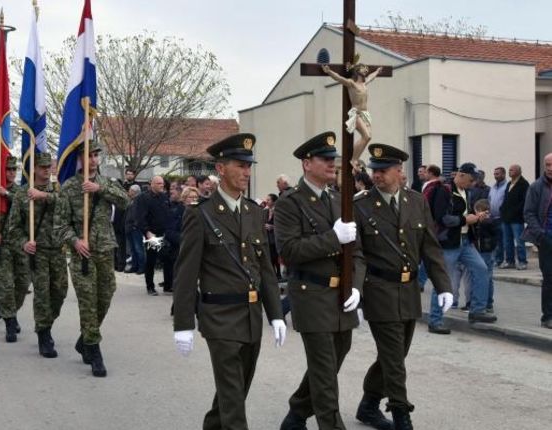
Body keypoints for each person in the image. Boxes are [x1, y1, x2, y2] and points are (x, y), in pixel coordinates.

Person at [173, 133, 285, 430]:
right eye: (240, 165)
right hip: (220, 319)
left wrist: (275, 314)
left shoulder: (254, 212)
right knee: (234, 400)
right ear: (221, 168)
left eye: (249, 166)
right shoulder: (200, 214)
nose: (247, 172)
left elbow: (265, 269)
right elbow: (186, 274)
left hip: (251, 317)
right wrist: (183, 323)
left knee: (235, 391)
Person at [352, 144, 452, 430]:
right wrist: (356, 291)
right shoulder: (361, 204)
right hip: (379, 289)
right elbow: (357, 254)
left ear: (399, 171)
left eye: (384, 170)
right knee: (394, 359)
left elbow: (430, 247)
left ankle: (368, 404)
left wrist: (443, 285)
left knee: (395, 354)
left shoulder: (416, 201)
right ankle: (401, 415)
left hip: (408, 290)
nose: (377, 175)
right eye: (375, 170)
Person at [274, 131, 362, 430]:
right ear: (306, 163)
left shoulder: (339, 199)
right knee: (325, 373)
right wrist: (333, 238)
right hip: (311, 293)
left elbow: (357, 252)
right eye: (325, 159)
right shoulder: (290, 203)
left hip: (341, 296)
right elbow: (289, 251)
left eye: (333, 159)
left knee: (333, 360)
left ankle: (297, 413)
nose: (331, 164)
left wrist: (357, 286)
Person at [53, 141, 130, 377]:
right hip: (82, 254)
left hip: (105, 250)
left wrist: (100, 189)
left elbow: (126, 201)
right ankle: (95, 351)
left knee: (105, 297)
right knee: (88, 301)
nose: (93, 160)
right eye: (88, 156)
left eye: (96, 155)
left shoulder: (106, 183)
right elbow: (59, 225)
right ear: (79, 159)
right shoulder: (69, 187)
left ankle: (84, 339)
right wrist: (75, 241)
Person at [8, 152, 66, 357]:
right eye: (42, 167)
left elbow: (67, 205)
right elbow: (13, 228)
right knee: (42, 294)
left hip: (58, 250)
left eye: (48, 166)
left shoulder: (58, 190)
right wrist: (24, 243)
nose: (46, 170)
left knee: (59, 292)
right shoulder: (22, 194)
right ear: (33, 169)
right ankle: (44, 334)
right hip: (37, 252)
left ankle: (47, 322)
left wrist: (44, 196)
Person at [427, 162, 496, 334]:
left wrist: (476, 217)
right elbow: (441, 218)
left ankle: (477, 311)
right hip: (448, 243)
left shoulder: (467, 191)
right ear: (461, 175)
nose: (473, 184)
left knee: (481, 269)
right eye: (471, 180)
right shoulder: (444, 190)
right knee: (444, 280)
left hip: (465, 241)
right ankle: (435, 320)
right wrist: (466, 220)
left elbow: (465, 215)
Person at [0, 157, 32, 343]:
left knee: (23, 284)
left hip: (20, 245)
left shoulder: (21, 191)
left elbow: (27, 208)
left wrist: (7, 195)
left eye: (13, 170)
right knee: (6, 285)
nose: (11, 172)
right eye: (7, 169)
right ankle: (10, 322)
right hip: (2, 248)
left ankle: (11, 312)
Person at [321, 63, 383, 167]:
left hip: (365, 114)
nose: (366, 70)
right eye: (363, 68)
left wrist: (377, 71)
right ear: (357, 71)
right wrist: (329, 71)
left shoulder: (364, 83)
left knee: (368, 137)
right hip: (356, 114)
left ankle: (355, 158)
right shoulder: (352, 83)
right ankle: (353, 159)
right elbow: (339, 78)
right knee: (366, 135)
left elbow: (371, 77)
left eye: (366, 69)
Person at [522, 153, 552, 329]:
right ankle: (547, 317)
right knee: (549, 278)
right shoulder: (536, 187)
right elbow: (528, 213)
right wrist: (541, 234)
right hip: (547, 238)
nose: (550, 168)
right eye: (547, 165)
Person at [137, 176, 172, 296]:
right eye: (158, 183)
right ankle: (150, 286)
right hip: (152, 234)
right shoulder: (143, 198)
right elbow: (140, 217)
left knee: (168, 258)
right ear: (151, 184)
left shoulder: (164, 197)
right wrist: (147, 232)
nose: (161, 185)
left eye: (162, 183)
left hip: (165, 233)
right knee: (151, 260)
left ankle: (168, 286)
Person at [471, 199, 499, 313]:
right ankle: (488, 303)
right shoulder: (491, 221)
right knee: (487, 277)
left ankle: (487, 302)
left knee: (486, 277)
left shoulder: (486, 222)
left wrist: (480, 222)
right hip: (487, 250)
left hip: (485, 251)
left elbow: (482, 234)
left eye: (476, 212)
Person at [500, 164, 530, 270]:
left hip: (517, 218)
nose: (509, 172)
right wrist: (502, 209)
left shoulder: (524, 184)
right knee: (507, 241)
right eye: (509, 170)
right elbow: (506, 198)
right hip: (506, 217)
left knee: (519, 241)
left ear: (518, 171)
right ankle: (510, 261)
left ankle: (522, 261)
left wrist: (515, 211)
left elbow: (524, 201)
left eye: (512, 170)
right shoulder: (509, 184)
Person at [487, 167, 508, 266]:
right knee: (496, 240)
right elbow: (489, 200)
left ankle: (505, 260)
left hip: (502, 218)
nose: (495, 176)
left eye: (498, 174)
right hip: (493, 218)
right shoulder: (493, 187)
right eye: (495, 174)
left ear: (503, 174)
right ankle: (497, 259)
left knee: (503, 241)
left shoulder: (507, 187)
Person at [124, 185, 145, 274]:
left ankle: (141, 267)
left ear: (134, 191)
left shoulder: (139, 201)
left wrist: (135, 225)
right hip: (129, 227)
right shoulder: (131, 201)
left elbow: (139, 214)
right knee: (133, 249)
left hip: (135, 228)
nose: (128, 192)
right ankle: (134, 266)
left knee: (138, 248)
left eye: (130, 190)